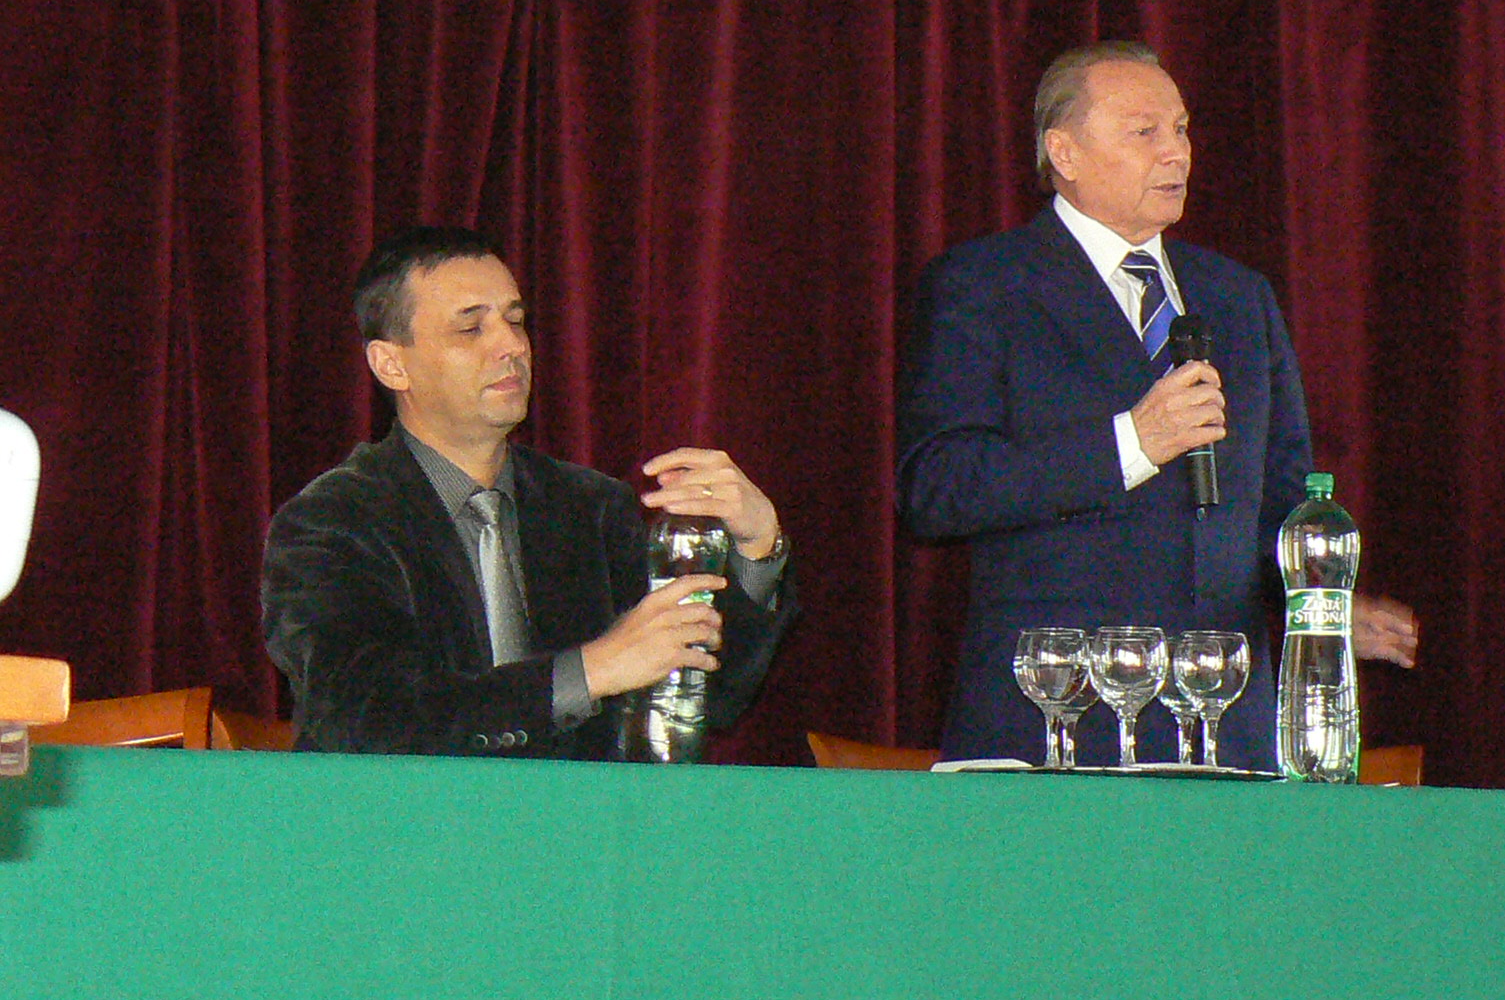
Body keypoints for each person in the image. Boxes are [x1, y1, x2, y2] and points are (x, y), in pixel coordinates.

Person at [897, 41, 1415, 769]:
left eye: (1180, 129)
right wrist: (1131, 443)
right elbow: (940, 487)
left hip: (1224, 718)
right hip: (1057, 716)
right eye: (1144, 132)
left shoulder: (1239, 298)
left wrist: (1316, 606)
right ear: (1064, 153)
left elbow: (1279, 499)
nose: (1176, 153)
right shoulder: (984, 285)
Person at [263, 226, 794, 758]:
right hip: (409, 812)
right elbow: (364, 718)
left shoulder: (592, 507)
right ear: (391, 364)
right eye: (471, 328)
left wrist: (757, 549)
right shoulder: (331, 521)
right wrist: (589, 671)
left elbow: (703, 697)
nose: (512, 346)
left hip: (584, 811)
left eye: (515, 321)